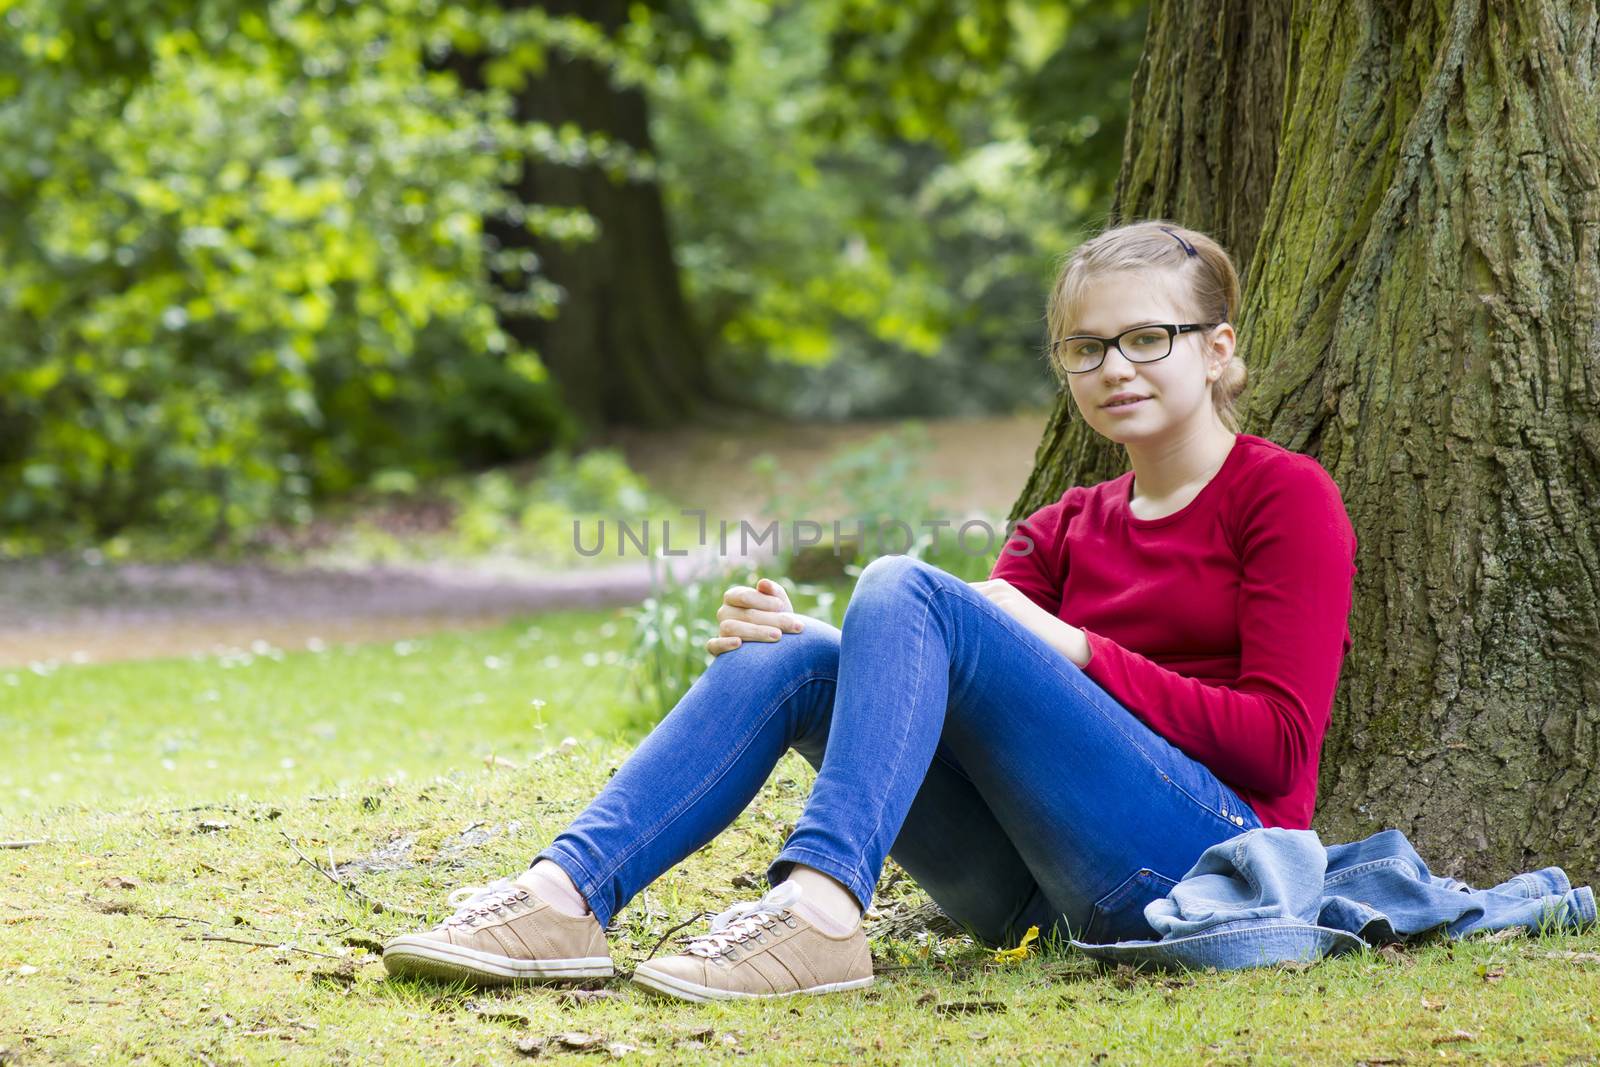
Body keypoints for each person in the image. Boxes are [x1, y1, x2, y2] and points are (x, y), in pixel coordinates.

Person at [381, 220, 1359, 1002]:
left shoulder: (1282, 496)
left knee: (902, 580)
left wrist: (1078, 647)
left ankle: (818, 908)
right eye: (1086, 345)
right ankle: (562, 896)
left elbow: (1277, 750)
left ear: (1218, 347)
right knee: (795, 652)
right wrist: (791, 638)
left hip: (1198, 870)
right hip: (1030, 893)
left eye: (1149, 337)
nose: (1116, 366)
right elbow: (931, 657)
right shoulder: (1065, 526)